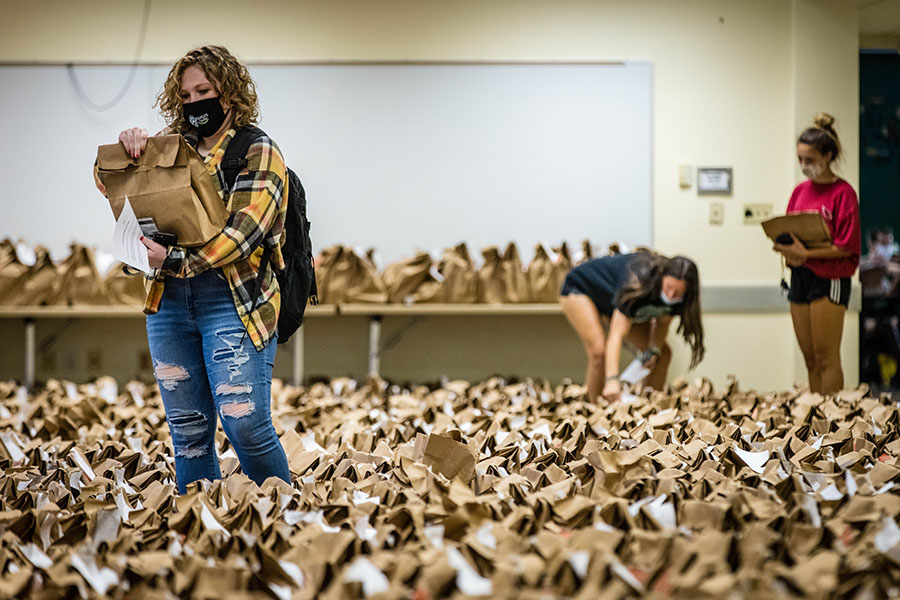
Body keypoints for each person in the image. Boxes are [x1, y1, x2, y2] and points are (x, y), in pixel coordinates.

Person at [95, 45, 291, 493]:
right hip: (170, 306)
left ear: (230, 93)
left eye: (204, 90)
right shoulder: (170, 149)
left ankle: (283, 523)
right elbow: (107, 179)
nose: (193, 103)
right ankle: (197, 534)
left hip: (234, 301)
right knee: (188, 433)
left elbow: (242, 235)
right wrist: (129, 149)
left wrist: (175, 260)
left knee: (245, 424)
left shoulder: (257, 150)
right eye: (184, 96)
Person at [773, 113, 861, 396]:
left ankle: (834, 426)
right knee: (810, 358)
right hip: (800, 275)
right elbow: (790, 230)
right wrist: (787, 249)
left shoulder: (843, 193)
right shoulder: (799, 191)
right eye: (800, 159)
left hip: (830, 279)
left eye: (809, 160)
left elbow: (846, 246)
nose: (803, 166)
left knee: (826, 358)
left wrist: (806, 254)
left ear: (828, 155)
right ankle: (817, 422)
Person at [559, 252, 705, 403]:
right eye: (668, 288)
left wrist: (654, 349)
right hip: (581, 289)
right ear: (661, 277)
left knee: (662, 354)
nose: (670, 295)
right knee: (599, 351)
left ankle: (651, 408)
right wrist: (612, 380)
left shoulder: (681, 300)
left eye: (677, 293)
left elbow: (662, 323)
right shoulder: (638, 280)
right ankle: (596, 411)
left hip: (612, 301)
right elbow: (616, 335)